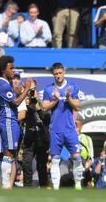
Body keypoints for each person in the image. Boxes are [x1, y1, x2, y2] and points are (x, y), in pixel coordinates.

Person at [42, 62, 83, 190]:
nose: (58, 76)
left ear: (64, 72)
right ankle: (56, 188)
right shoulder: (49, 89)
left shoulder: (72, 87)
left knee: (77, 157)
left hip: (70, 129)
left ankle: (78, 185)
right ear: (53, 75)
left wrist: (68, 97)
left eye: (60, 73)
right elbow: (44, 107)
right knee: (55, 159)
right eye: (56, 74)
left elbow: (77, 106)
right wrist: (55, 99)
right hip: (55, 130)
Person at [0, 56, 33, 189]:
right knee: (9, 154)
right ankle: (6, 185)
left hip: (8, 121)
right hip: (8, 121)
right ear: (2, 70)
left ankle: (5, 185)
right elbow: (16, 102)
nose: (13, 70)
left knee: (9, 154)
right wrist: (27, 89)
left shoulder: (6, 84)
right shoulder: (3, 85)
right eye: (10, 68)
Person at [22, 80, 50, 188]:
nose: (31, 93)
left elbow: (48, 119)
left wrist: (38, 108)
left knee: (42, 166)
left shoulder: (42, 102)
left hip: (42, 138)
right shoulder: (23, 102)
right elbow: (20, 117)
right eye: (29, 90)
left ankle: (44, 187)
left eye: (33, 90)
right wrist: (27, 106)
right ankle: (27, 188)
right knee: (27, 164)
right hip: (29, 138)